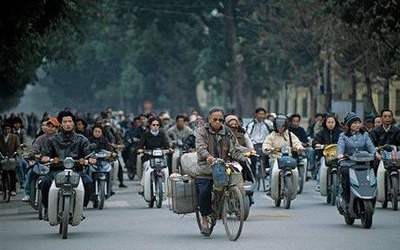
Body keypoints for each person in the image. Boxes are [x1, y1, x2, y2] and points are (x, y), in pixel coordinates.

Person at [195, 107, 247, 236]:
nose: (218, 122)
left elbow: (235, 149)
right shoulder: (202, 131)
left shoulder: (228, 132)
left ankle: (229, 205)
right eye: (215, 119)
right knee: (204, 192)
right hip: (206, 167)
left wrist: (244, 158)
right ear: (209, 120)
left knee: (233, 182)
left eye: (220, 120)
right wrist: (208, 157)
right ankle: (205, 219)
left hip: (223, 166)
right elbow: (200, 148)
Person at [40, 110, 96, 218]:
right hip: (56, 171)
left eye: (70, 121)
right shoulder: (52, 140)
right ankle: (47, 208)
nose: (68, 124)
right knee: (45, 183)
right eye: (65, 122)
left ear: (74, 123)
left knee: (88, 182)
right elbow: (44, 154)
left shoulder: (82, 139)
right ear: (60, 124)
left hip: (77, 171)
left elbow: (89, 152)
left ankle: (81, 208)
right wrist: (46, 158)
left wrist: (91, 158)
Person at [336, 112, 377, 205]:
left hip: (364, 163)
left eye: (359, 123)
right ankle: (346, 196)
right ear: (349, 125)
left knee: (371, 174)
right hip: (348, 163)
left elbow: (370, 146)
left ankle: (371, 195)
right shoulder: (343, 136)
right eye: (355, 123)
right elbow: (340, 146)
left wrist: (375, 154)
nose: (357, 125)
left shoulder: (365, 135)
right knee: (345, 173)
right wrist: (340, 154)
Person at [22, 117, 59, 202]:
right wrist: (31, 154)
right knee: (31, 173)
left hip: (57, 164)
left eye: (52, 127)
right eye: (48, 126)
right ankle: (28, 193)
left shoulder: (60, 138)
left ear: (57, 129)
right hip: (42, 164)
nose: (50, 128)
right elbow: (34, 148)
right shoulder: (40, 139)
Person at [137, 117, 172, 195]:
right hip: (148, 157)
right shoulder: (146, 134)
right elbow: (140, 146)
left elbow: (166, 145)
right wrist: (141, 150)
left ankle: (168, 188)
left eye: (157, 125)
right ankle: (142, 186)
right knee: (147, 167)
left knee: (166, 169)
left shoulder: (162, 134)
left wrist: (169, 149)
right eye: (153, 125)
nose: (155, 126)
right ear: (150, 125)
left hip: (160, 157)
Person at [312, 114, 342, 191]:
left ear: (336, 123)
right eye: (328, 122)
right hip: (325, 156)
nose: (330, 124)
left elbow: (346, 141)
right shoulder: (321, 132)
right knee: (322, 165)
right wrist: (317, 144)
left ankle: (343, 183)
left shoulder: (341, 133)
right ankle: (319, 183)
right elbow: (315, 141)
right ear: (325, 123)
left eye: (332, 122)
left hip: (338, 155)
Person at [0, 122, 20, 196]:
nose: (7, 131)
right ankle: (2, 188)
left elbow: (18, 147)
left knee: (12, 173)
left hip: (12, 156)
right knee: (3, 173)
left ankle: (13, 189)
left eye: (8, 129)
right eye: (5, 129)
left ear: (10, 129)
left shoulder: (15, 137)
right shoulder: (0, 137)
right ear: (3, 130)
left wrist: (17, 152)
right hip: (2, 157)